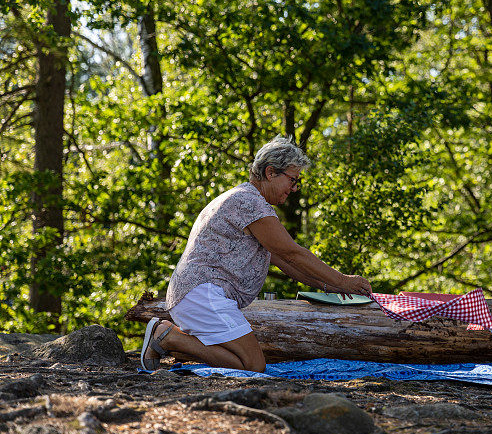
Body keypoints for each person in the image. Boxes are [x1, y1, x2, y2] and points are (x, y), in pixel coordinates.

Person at [140, 136, 373, 372]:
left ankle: (168, 337)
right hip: (203, 295)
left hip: (197, 296)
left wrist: (328, 285)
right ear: (271, 173)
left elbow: (283, 261)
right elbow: (292, 254)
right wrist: (343, 280)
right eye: (292, 180)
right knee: (253, 367)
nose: (293, 189)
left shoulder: (249, 201)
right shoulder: (249, 203)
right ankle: (168, 336)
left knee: (249, 365)